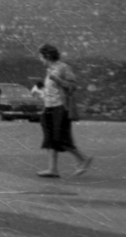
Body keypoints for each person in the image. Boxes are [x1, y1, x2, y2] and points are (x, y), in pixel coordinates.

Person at [37, 44, 92, 178]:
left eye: (41, 57)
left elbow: (73, 86)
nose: (40, 60)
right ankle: (52, 169)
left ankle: (83, 159)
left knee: (61, 138)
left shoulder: (63, 67)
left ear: (47, 56)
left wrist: (58, 80)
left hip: (60, 108)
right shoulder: (50, 69)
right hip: (49, 108)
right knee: (50, 139)